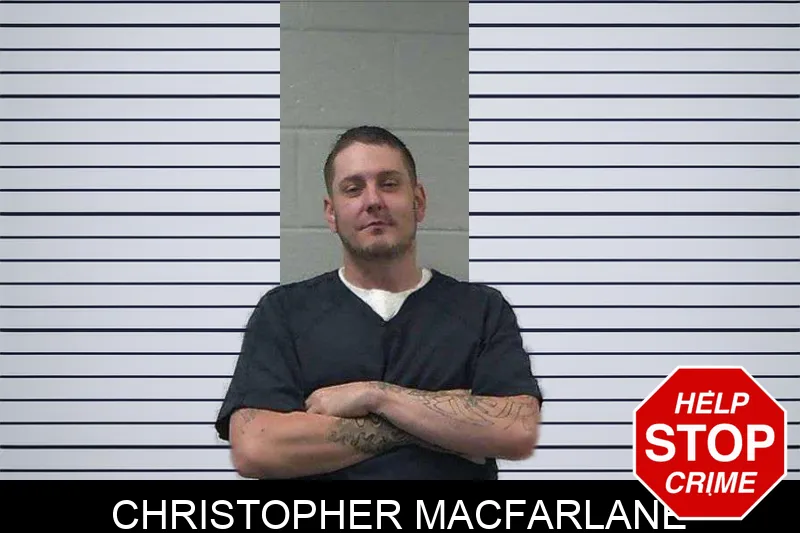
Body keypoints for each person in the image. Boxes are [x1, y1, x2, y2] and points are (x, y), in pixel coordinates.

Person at [215, 125, 543, 479]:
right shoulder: (284, 312)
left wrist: (375, 396)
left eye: (389, 184)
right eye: (353, 189)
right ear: (331, 213)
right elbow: (256, 449)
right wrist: (450, 424)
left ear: (418, 202)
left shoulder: (481, 309)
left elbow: (516, 431)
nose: (372, 200)